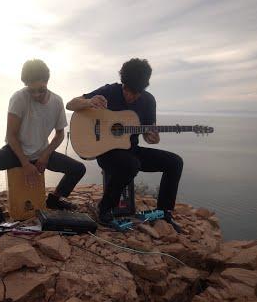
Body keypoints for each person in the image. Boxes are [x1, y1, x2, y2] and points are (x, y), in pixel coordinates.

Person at [65, 58, 184, 232]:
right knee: (131, 165)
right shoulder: (109, 91)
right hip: (106, 152)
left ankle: (163, 212)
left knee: (175, 162)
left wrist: (153, 137)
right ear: (123, 83)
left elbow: (149, 134)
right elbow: (70, 104)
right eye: (128, 90)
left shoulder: (149, 101)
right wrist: (88, 102)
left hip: (131, 149)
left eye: (137, 92)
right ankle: (104, 209)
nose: (131, 96)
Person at [0, 59, 86, 223]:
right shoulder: (19, 98)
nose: (36, 95)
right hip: (16, 152)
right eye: (31, 90)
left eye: (40, 90)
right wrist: (25, 163)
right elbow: (11, 135)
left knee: (78, 169)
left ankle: (54, 200)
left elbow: (60, 134)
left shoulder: (56, 101)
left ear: (47, 82)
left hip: (41, 153)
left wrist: (45, 155)